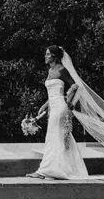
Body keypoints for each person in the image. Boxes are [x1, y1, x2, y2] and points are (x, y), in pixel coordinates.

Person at [24, 45, 89, 180]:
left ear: (54, 56)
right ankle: (60, 168)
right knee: (58, 136)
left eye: (48, 54)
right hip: (53, 106)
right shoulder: (50, 70)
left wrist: (69, 102)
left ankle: (45, 170)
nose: (45, 56)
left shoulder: (62, 69)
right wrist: (45, 105)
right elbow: (52, 93)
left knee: (53, 137)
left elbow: (75, 86)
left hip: (60, 107)